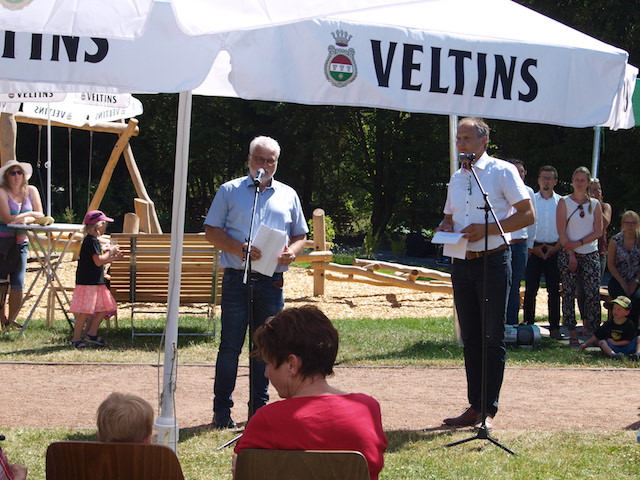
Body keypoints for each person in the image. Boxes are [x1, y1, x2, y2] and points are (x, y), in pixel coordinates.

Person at [435, 117, 534, 427]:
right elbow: (449, 216)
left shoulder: (502, 171)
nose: (460, 144)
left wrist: (489, 228)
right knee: (471, 337)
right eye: (458, 139)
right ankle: (474, 406)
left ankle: (488, 410)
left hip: (493, 261)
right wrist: (445, 226)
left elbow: (527, 215)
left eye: (466, 138)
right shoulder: (456, 178)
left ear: (483, 141)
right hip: (461, 262)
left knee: (492, 337)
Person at [204, 136, 308, 429]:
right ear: (249, 159)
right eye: (259, 159)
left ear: (277, 162)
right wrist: (240, 248)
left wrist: (292, 253)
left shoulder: (288, 194)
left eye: (270, 160)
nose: (265, 165)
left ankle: (259, 411)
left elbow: (300, 235)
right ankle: (222, 412)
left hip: (271, 281)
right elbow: (211, 231)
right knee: (230, 347)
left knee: (267, 347)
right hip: (237, 277)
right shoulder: (230, 191)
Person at [233, 306, 387, 480]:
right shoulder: (367, 409)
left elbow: (245, 472)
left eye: (268, 364)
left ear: (292, 364)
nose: (266, 374)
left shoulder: (267, 419)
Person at [556, 166, 603, 346]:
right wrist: (571, 252)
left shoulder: (595, 204)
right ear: (572, 181)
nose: (580, 183)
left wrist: (579, 243)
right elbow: (561, 230)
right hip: (569, 253)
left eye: (583, 180)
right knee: (568, 292)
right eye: (577, 179)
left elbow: (598, 231)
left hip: (589, 252)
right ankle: (572, 331)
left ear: (588, 182)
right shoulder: (564, 202)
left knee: (592, 293)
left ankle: (594, 332)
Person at [0, 160, 44, 329]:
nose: (17, 176)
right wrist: (29, 215)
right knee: (2, 282)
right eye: (13, 173)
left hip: (21, 242)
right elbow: (7, 218)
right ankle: (2, 319)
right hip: (3, 242)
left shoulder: (31, 190)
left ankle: (12, 321)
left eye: (20, 172)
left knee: (18, 283)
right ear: (6, 176)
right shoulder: (2, 192)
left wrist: (27, 217)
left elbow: (41, 215)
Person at [68, 210, 121, 349]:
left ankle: (91, 333)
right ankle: (76, 339)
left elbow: (98, 261)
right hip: (88, 282)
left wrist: (113, 258)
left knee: (106, 306)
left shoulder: (93, 241)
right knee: (84, 311)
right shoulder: (91, 241)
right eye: (104, 225)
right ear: (97, 226)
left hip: (96, 281)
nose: (105, 228)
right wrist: (110, 251)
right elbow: (98, 261)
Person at [523, 165, 562, 339]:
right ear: (538, 180)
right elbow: (526, 225)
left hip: (555, 249)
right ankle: (528, 325)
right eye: (543, 178)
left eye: (549, 178)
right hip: (534, 249)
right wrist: (533, 248)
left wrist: (556, 247)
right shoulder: (531, 200)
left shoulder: (561, 202)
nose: (546, 181)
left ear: (555, 181)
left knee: (554, 290)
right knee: (531, 289)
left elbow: (565, 227)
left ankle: (555, 327)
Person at [576, 178, 612, 318]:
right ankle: (585, 319)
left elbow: (605, 223)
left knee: (593, 287)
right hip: (581, 250)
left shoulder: (605, 207)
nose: (598, 192)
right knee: (581, 288)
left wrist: (594, 204)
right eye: (593, 190)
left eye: (599, 189)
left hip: (599, 252)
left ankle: (594, 319)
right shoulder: (581, 206)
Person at [506, 159, 536, 325]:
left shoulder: (528, 192)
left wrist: (530, 245)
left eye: (522, 171)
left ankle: (512, 323)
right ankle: (499, 323)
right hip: (504, 244)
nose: (520, 174)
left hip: (521, 245)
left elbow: (533, 220)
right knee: (502, 285)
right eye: (516, 171)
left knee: (515, 286)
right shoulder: (502, 190)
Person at [606, 210, 640, 330]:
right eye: (627, 223)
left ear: (638, 224)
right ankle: (618, 330)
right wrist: (623, 283)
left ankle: (632, 331)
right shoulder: (615, 240)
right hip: (619, 278)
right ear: (622, 224)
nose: (630, 226)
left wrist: (635, 282)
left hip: (637, 279)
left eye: (633, 223)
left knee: (636, 299)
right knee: (622, 300)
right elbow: (610, 265)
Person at [578, 295, 639, 360]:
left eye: (619, 309)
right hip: (613, 348)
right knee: (602, 342)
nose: (615, 311)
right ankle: (613, 355)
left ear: (627, 312)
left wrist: (616, 343)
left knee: (639, 338)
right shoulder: (608, 323)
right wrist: (585, 344)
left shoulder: (630, 324)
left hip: (627, 347)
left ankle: (637, 354)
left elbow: (629, 341)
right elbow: (597, 335)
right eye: (614, 308)